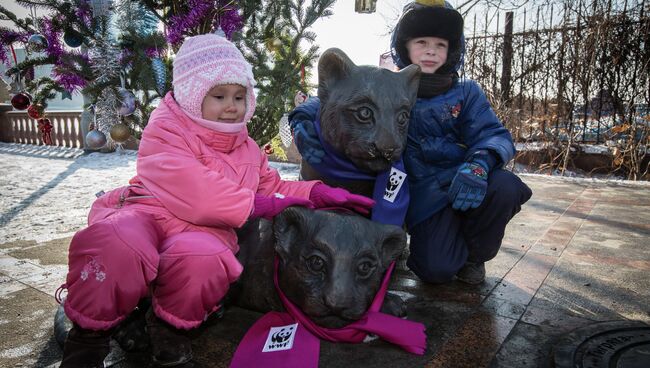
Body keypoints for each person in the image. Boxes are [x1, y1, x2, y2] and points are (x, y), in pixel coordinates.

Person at [57, 34, 374, 367]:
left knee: (205, 259)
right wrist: (257, 206)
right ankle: (87, 342)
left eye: (239, 96)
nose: (231, 106)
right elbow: (194, 188)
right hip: (147, 212)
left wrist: (316, 192)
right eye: (219, 96)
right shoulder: (166, 128)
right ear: (194, 97)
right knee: (118, 242)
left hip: (203, 232)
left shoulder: (247, 148)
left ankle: (169, 333)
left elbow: (269, 187)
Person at [289, 0, 531, 286]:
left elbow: (494, 134)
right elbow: (335, 96)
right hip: (427, 198)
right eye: (422, 42)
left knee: (504, 187)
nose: (431, 50)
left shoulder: (466, 93)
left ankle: (474, 257)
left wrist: (479, 164)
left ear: (452, 50)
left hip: (466, 182)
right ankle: (444, 246)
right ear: (404, 46)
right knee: (435, 271)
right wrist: (302, 117)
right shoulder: (393, 85)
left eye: (440, 44)